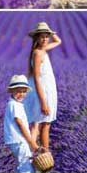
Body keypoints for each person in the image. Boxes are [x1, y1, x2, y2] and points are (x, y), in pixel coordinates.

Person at [27, 25, 61, 161]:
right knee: (41, 124)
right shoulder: (38, 53)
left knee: (41, 124)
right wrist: (43, 102)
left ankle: (36, 153)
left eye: (47, 36)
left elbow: (58, 41)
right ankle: (42, 154)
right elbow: (36, 77)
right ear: (36, 37)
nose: (45, 38)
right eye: (42, 36)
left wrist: (52, 32)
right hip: (43, 92)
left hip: (48, 90)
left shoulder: (42, 50)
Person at [3, 75, 37, 173]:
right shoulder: (14, 105)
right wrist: (31, 142)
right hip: (19, 141)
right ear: (11, 91)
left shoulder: (14, 104)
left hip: (16, 140)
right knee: (26, 168)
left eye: (24, 91)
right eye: (18, 91)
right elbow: (20, 124)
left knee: (21, 166)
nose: (21, 94)